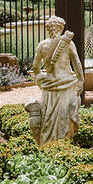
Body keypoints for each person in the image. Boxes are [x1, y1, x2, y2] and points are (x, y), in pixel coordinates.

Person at [28, 16, 84, 145]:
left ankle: (46, 143)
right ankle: (65, 143)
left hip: (50, 84)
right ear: (61, 28)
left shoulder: (42, 45)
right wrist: (80, 80)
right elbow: (77, 64)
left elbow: (36, 67)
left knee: (48, 117)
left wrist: (40, 81)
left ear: (48, 29)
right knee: (65, 114)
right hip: (67, 83)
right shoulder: (68, 42)